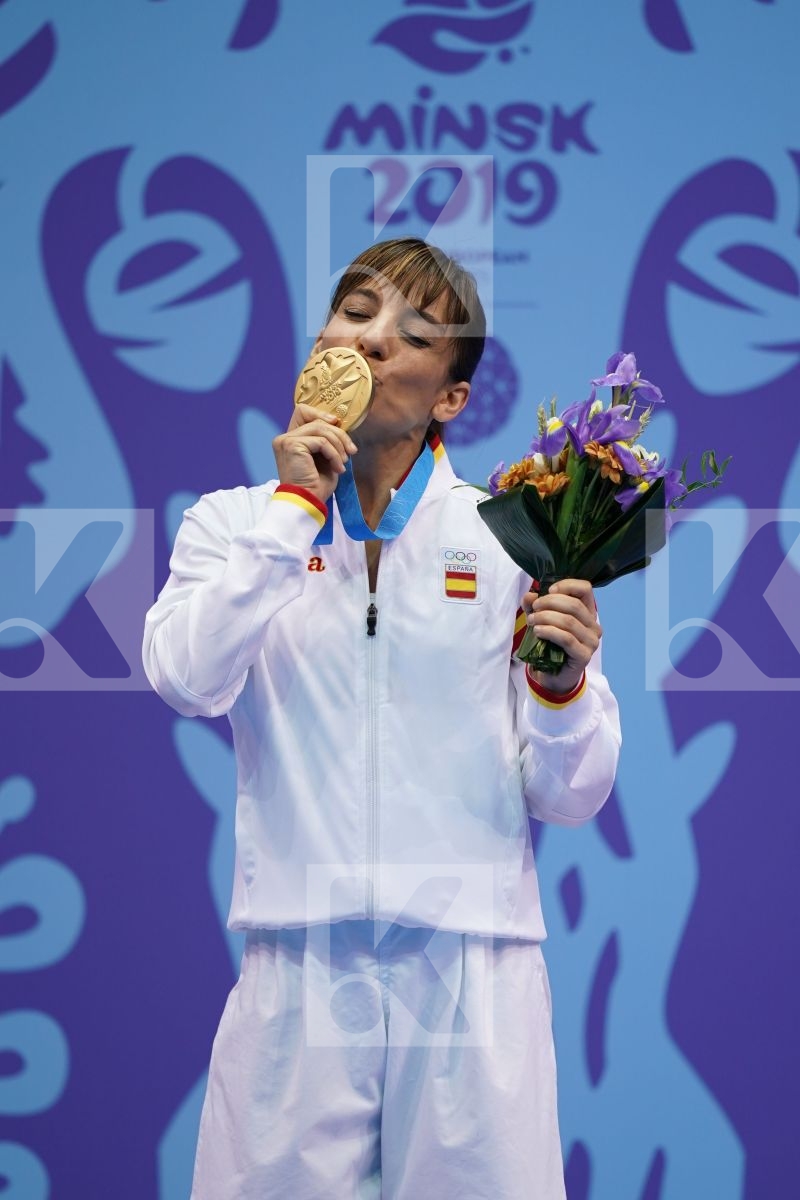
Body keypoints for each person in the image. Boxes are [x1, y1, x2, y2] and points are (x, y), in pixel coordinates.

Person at [142, 237, 621, 1199]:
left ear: (450, 397)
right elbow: (187, 677)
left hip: (472, 972)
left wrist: (562, 691)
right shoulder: (233, 525)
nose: (369, 344)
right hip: (298, 960)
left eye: (410, 335)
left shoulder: (513, 539)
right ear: (317, 346)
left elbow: (571, 795)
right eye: (355, 314)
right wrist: (292, 512)